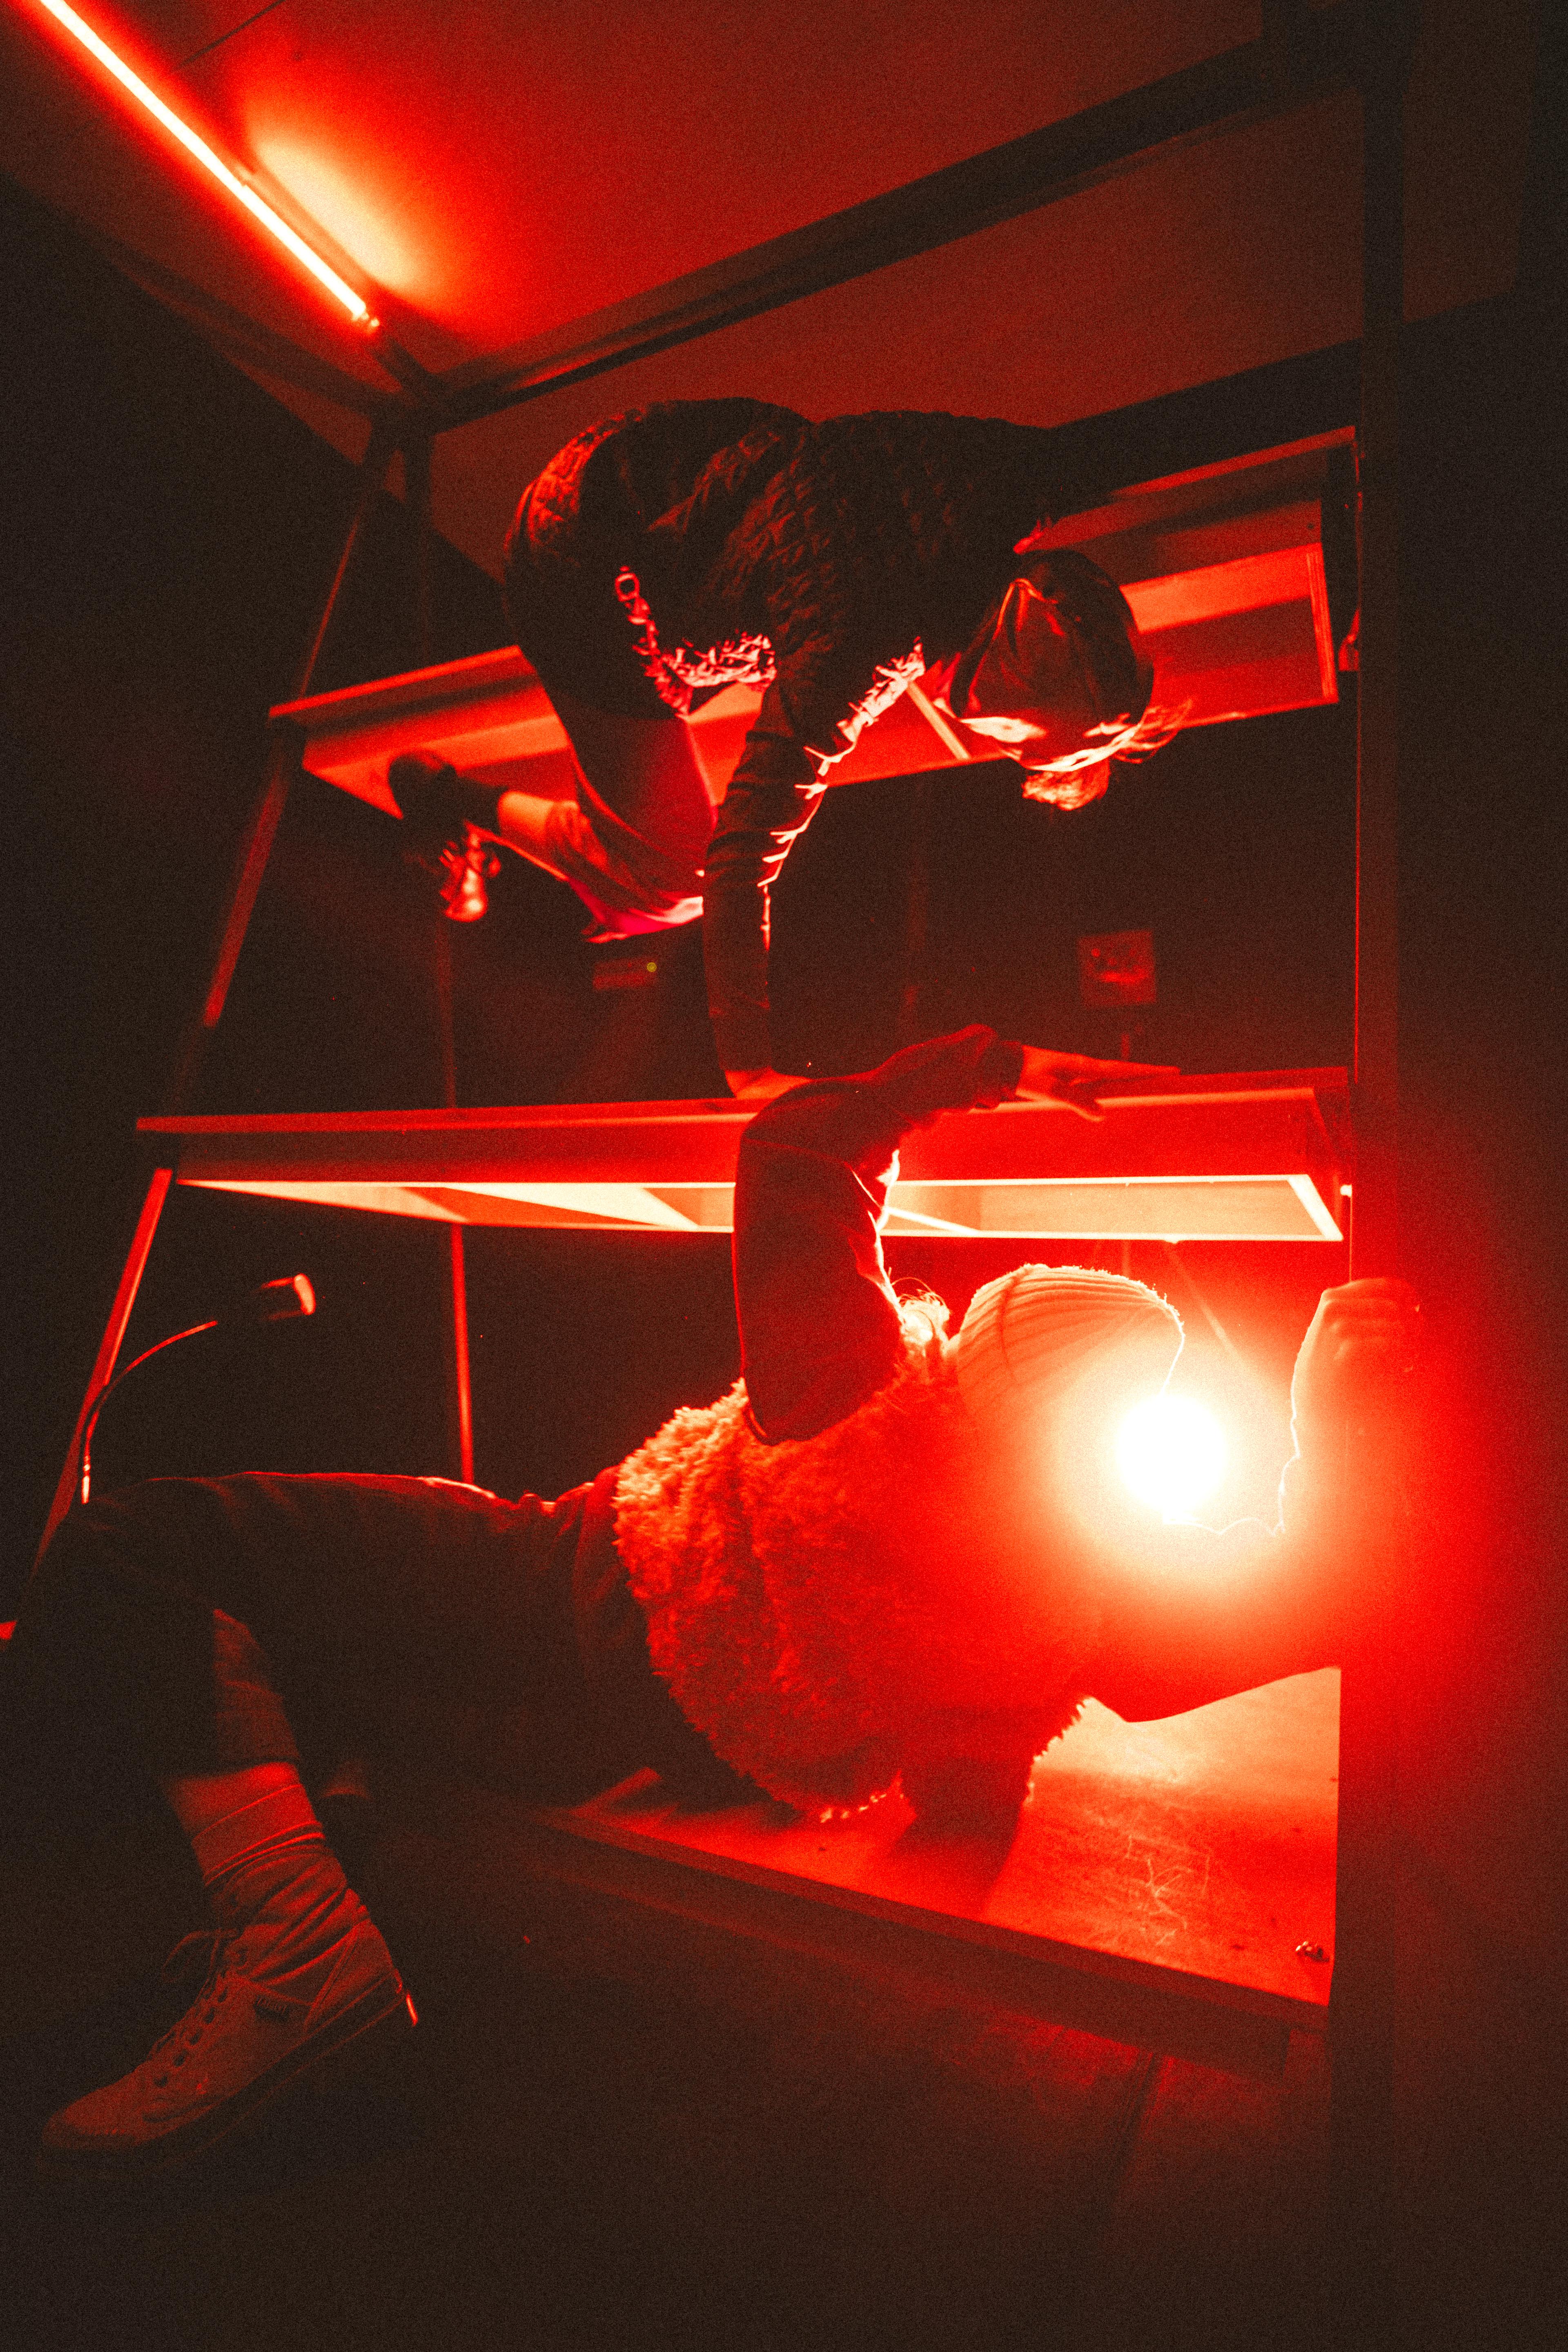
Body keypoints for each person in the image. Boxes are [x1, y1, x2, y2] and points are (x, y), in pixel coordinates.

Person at [5, 1029, 1416, 2178]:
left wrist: (971, 1068)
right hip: (628, 1736)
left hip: (546, 1583)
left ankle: (296, 1953)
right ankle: (279, 1912)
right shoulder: (1071, 1604)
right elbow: (1270, 1612)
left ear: (965, 1349)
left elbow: (797, 1145)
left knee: (138, 1549)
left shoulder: (854, 1388)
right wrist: (1323, 1424)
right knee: (297, 1655)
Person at [388, 401, 1183, 1097]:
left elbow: (1164, 431)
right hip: (581, 565)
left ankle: (525, 808)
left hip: (661, 467)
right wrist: (751, 1070)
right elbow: (740, 863)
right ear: (966, 695)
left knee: (748, 638)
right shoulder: (859, 649)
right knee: (675, 883)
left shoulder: (1011, 484)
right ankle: (445, 796)